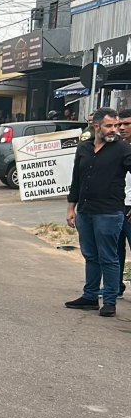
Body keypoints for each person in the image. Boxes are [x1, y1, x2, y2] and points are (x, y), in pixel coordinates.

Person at [65, 107, 131, 317]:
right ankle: (90, 296)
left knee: (108, 257)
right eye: (109, 126)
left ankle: (109, 301)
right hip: (85, 211)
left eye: (117, 125)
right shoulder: (83, 148)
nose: (115, 129)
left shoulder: (122, 149)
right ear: (96, 126)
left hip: (109, 212)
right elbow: (77, 179)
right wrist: (71, 207)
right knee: (90, 255)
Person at [118, 109, 131, 299]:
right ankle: (115, 286)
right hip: (115, 205)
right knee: (115, 250)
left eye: (127, 124)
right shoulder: (118, 148)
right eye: (119, 124)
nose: (121, 128)